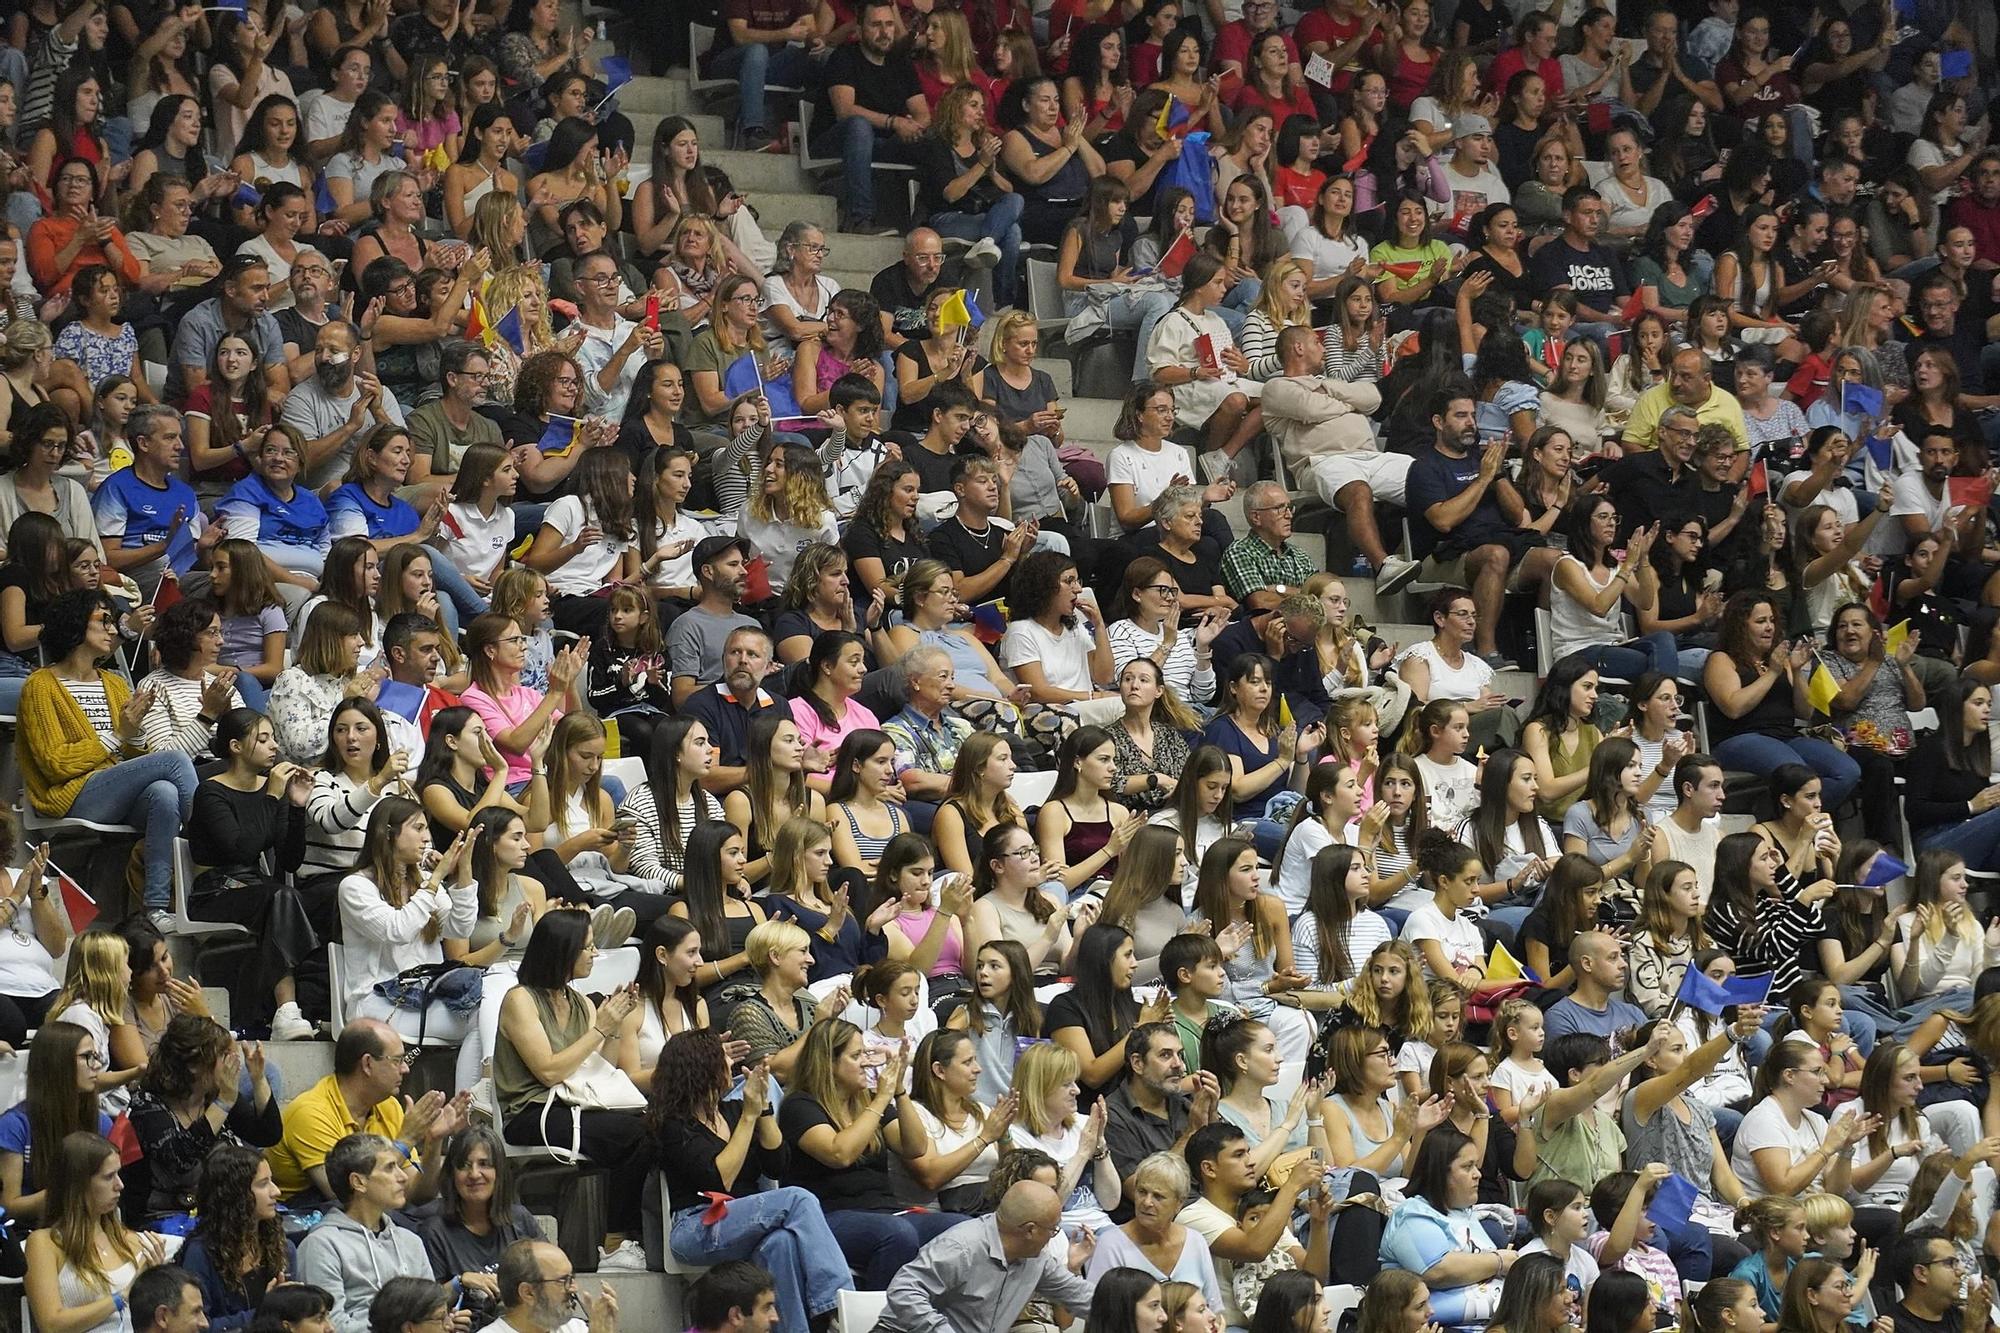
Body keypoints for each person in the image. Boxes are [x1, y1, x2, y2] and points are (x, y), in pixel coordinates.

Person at [18, 589, 199, 921]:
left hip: (111, 790)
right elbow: (55, 764)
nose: (114, 630)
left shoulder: (114, 683)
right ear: (75, 624)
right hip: (68, 794)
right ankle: (206, 842)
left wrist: (137, 729)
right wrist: (119, 735)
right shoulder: (40, 685)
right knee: (174, 761)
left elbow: (131, 752)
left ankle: (156, 907)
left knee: (165, 792)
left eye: (114, 622)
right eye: (104, 620)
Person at [647, 1028, 847, 1326]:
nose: (729, 1065)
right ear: (700, 1068)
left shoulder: (734, 1111)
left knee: (781, 1243)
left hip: (744, 1219)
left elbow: (777, 1166)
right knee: (798, 1197)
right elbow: (718, 1180)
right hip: (696, 1225)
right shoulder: (672, 1123)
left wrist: (763, 1109)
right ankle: (838, 1303)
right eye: (722, 1059)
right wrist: (749, 1117)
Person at [880, 1181, 1097, 1333]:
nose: (1053, 1236)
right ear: (1029, 1230)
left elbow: (1079, 1294)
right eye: (1053, 1230)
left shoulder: (1036, 1259)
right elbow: (904, 1290)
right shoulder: (962, 1247)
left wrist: (1127, 1306)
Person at [23, 1131, 174, 1333]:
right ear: (79, 1184)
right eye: (109, 1176)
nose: (120, 1185)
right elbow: (51, 1324)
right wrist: (123, 1296)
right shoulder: (44, 1244)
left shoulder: (127, 1239)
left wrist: (154, 1280)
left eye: (118, 1174)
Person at [295, 1133, 433, 1333]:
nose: (403, 1177)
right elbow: (330, 1326)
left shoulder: (411, 1241)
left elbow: (431, 1308)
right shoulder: (322, 1245)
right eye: (389, 1168)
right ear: (358, 1182)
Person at [400, 1126, 540, 1293]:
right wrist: (459, 1283)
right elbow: (425, 1304)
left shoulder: (520, 1218)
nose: (474, 1174)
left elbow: (552, 1273)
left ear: (499, 1172)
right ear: (452, 1175)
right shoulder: (434, 1231)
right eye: (464, 1165)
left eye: (484, 1164)